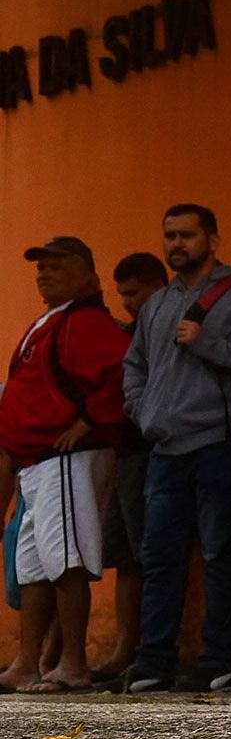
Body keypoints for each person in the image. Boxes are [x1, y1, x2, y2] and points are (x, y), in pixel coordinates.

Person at [121, 203, 231, 695]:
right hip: (165, 448)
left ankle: (221, 658)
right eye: (169, 235)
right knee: (160, 556)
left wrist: (209, 342)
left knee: (218, 553)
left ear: (212, 239)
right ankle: (153, 662)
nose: (176, 245)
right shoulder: (156, 304)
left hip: (221, 443)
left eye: (187, 235)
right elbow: (135, 365)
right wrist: (143, 410)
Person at [3, 237, 131, 692]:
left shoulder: (86, 321)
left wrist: (92, 419)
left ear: (88, 276)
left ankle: (74, 663)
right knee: (34, 566)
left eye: (58, 267)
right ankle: (27, 662)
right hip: (37, 461)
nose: (44, 274)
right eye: (42, 268)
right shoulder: (51, 320)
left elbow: (120, 373)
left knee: (68, 562)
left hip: (67, 458)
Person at [94, 252, 164, 686]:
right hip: (126, 452)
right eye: (122, 295)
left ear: (157, 285)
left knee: (148, 554)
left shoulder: (161, 329)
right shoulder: (130, 331)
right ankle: (125, 646)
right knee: (124, 556)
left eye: (134, 293)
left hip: (149, 450)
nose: (128, 303)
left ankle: (147, 647)